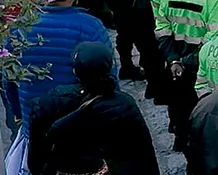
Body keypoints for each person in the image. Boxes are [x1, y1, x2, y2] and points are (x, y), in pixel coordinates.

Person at [5, 0, 116, 175]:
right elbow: (109, 76)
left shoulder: (20, 27)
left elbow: (8, 77)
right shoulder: (90, 27)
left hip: (35, 122)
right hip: (81, 122)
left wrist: (19, 113)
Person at [27, 43, 158, 175]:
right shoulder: (124, 104)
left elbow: (37, 157)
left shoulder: (52, 102)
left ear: (75, 71)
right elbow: (144, 156)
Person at [155, 0, 218, 151]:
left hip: (174, 61)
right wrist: (184, 62)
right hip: (196, 65)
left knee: (177, 102)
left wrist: (173, 60)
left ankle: (179, 136)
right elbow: (213, 40)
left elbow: (161, 29)